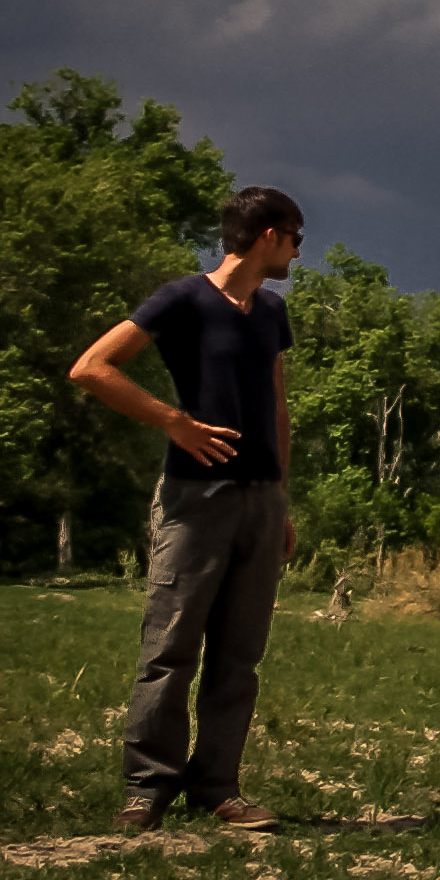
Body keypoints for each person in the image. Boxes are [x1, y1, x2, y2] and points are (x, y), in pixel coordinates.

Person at [69, 186, 305, 834]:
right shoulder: (182, 299)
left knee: (239, 654)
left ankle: (218, 787)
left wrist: (281, 498)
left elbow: (278, 408)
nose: (296, 250)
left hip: (259, 502)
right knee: (170, 647)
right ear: (267, 236)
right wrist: (174, 421)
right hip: (194, 500)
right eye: (296, 237)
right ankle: (147, 788)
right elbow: (91, 367)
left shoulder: (270, 312)